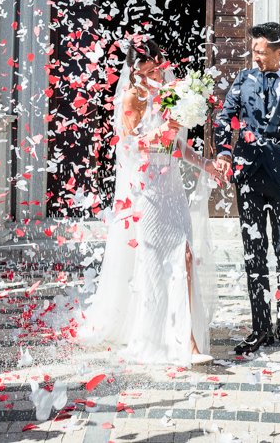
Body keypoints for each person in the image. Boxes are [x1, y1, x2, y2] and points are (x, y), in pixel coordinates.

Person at [78, 38, 224, 364]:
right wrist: (161, 133)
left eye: (160, 64)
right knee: (156, 263)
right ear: (138, 67)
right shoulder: (131, 97)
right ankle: (154, 339)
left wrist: (206, 164)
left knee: (185, 255)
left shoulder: (170, 94)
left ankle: (189, 343)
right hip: (147, 189)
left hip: (171, 185)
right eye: (152, 65)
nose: (159, 69)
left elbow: (177, 148)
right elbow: (129, 145)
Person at [214, 22, 280, 356]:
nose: (255, 57)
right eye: (254, 51)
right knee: (254, 251)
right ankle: (260, 327)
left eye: (261, 52)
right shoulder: (243, 80)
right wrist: (224, 151)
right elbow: (224, 118)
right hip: (249, 177)